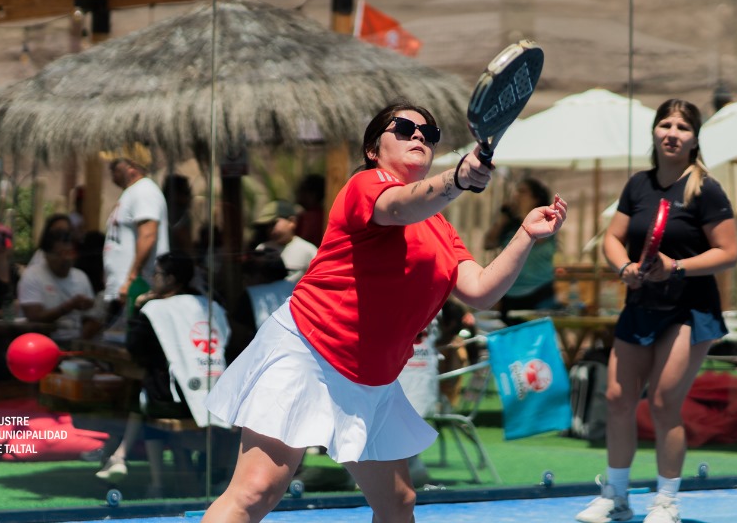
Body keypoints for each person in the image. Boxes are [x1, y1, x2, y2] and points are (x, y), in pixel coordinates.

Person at [200, 100, 566, 523]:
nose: (418, 138)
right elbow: (400, 207)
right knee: (255, 491)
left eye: (428, 135)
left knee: (398, 503)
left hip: (372, 375)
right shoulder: (366, 185)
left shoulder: (440, 227)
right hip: (309, 352)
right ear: (374, 149)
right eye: (405, 128)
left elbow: (481, 291)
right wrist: (458, 178)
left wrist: (525, 234)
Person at [580, 99, 737, 523]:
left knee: (666, 401)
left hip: (690, 309)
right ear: (654, 132)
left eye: (682, 127)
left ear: (695, 139)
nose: (672, 132)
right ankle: (616, 497)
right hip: (641, 304)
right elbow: (613, 238)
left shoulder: (705, 189)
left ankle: (666, 501)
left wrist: (677, 267)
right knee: (617, 398)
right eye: (665, 124)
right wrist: (625, 267)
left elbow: (729, 252)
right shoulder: (637, 185)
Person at [98, 253, 230, 496]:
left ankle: (148, 477)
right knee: (145, 394)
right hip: (217, 397)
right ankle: (126, 461)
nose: (152, 279)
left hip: (175, 402)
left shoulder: (155, 309)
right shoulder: (211, 306)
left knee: (145, 399)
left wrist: (138, 308)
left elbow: (135, 348)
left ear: (170, 279)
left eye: (156, 274)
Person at [102, 152, 170, 317]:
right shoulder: (132, 192)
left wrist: (132, 278)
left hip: (138, 289)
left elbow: (148, 235)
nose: (111, 169)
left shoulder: (144, 191)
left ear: (131, 166)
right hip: (124, 290)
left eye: (115, 165)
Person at [484, 177, 558, 323]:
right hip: (510, 293)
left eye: (523, 192)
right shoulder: (511, 224)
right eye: (516, 191)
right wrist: (503, 219)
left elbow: (537, 238)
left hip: (539, 292)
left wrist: (526, 212)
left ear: (536, 198)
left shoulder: (548, 220)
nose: (517, 196)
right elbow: (489, 243)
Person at [19, 228, 101, 344]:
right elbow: (34, 317)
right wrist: (68, 307)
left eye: (69, 253)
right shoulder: (33, 275)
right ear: (46, 255)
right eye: (60, 254)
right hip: (42, 342)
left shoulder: (81, 277)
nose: (66, 259)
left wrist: (80, 341)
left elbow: (91, 319)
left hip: (75, 343)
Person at [252, 199, 318, 283]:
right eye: (267, 225)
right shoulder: (262, 249)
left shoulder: (308, 250)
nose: (270, 229)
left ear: (292, 222)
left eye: (273, 223)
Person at [293, 173, 326, 246]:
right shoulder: (326, 215)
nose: (297, 194)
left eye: (301, 191)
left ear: (312, 195)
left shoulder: (308, 218)